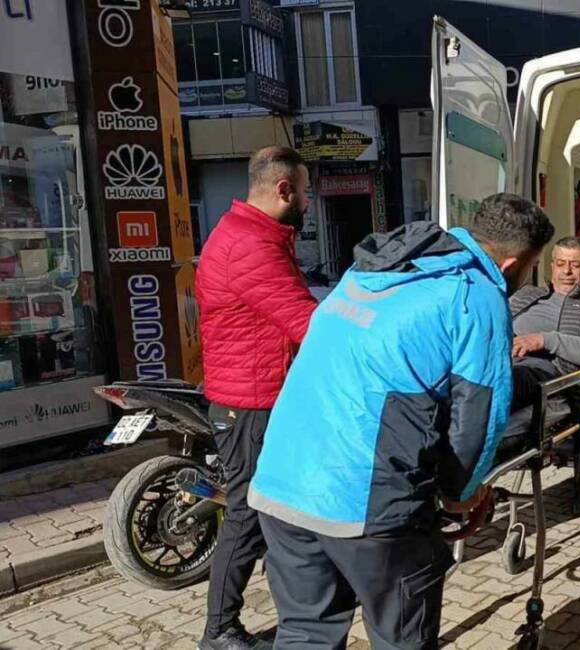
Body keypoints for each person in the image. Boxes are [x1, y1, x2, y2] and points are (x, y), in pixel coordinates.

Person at [247, 194, 554, 649]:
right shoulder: (477, 295)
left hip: (281, 485)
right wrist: (459, 496)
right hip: (364, 503)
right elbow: (479, 418)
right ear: (512, 265)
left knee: (305, 634)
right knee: (402, 638)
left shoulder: (376, 266)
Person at [194, 146, 318, 650]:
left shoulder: (256, 235)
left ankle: (297, 604)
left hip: (259, 396)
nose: (308, 201)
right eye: (306, 191)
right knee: (246, 516)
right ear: (284, 190)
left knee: (272, 513)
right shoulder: (251, 246)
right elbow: (308, 324)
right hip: (251, 404)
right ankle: (219, 631)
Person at [510, 236, 580, 412]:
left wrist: (544, 340)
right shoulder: (525, 295)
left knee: (504, 382)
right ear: (552, 267)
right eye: (560, 264)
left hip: (542, 372)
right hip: (499, 360)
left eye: (575, 265)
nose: (566, 271)